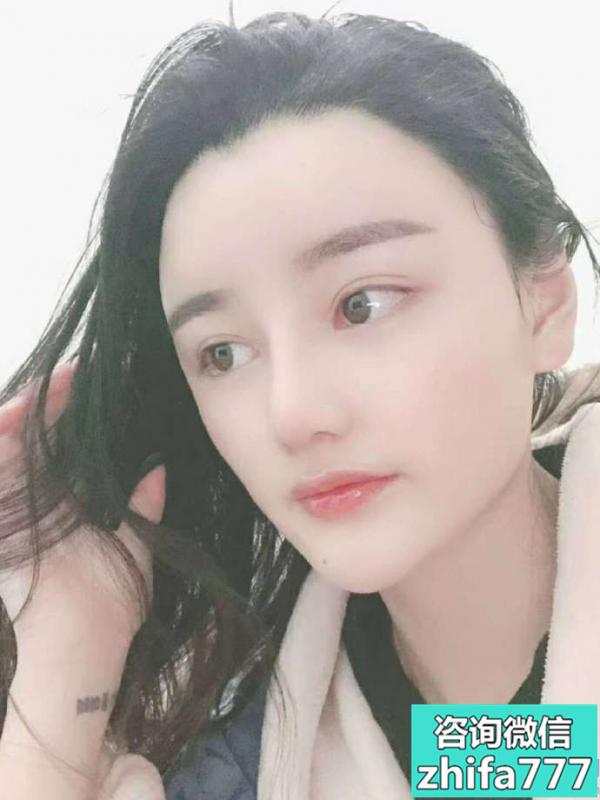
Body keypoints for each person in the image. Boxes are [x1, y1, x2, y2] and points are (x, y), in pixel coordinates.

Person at [0, 9, 599, 800]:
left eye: (362, 305)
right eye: (223, 353)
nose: (290, 414)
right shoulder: (239, 762)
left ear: (545, 305)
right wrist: (66, 653)